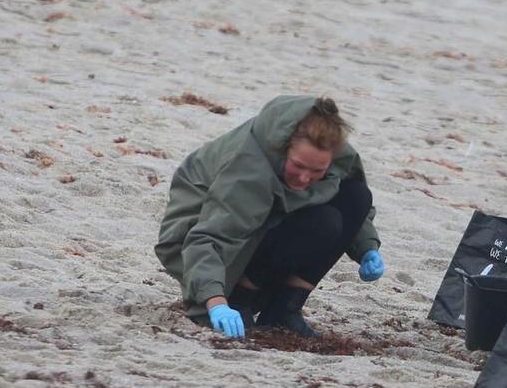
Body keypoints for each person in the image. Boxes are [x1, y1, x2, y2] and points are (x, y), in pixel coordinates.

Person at [156, 95, 384, 340]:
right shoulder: (247, 172)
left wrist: (367, 248)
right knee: (321, 221)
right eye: (298, 166)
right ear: (283, 147)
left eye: (317, 171)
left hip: (256, 227)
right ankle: (240, 299)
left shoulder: (338, 154)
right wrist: (216, 302)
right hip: (193, 246)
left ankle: (284, 309)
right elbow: (208, 237)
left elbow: (352, 200)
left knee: (355, 194)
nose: (305, 178)